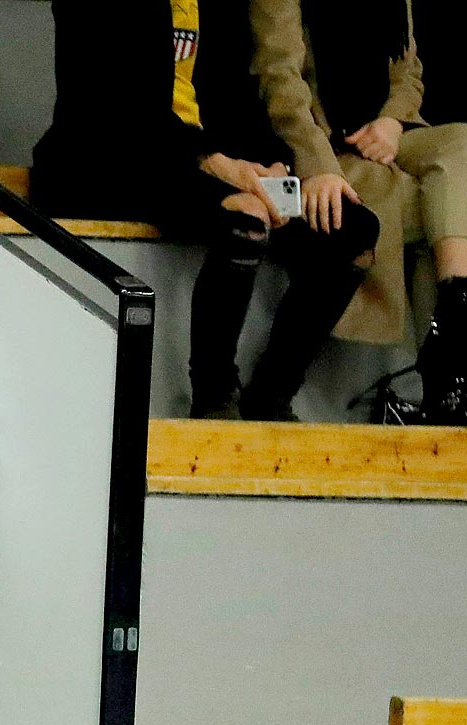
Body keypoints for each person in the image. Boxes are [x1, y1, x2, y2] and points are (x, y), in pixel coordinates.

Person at [33, 0, 380, 420]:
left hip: (208, 161)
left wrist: (273, 163)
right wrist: (217, 163)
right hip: (107, 160)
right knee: (247, 216)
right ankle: (213, 396)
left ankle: (270, 396)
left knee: (353, 231)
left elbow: (238, 96)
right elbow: (113, 105)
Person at [252, 0, 467, 422]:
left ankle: (457, 318)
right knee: (426, 205)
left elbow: (409, 72)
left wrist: (390, 122)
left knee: (461, 146)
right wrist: (318, 167)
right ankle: (448, 382)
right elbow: (279, 78)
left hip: (384, 134)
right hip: (322, 143)